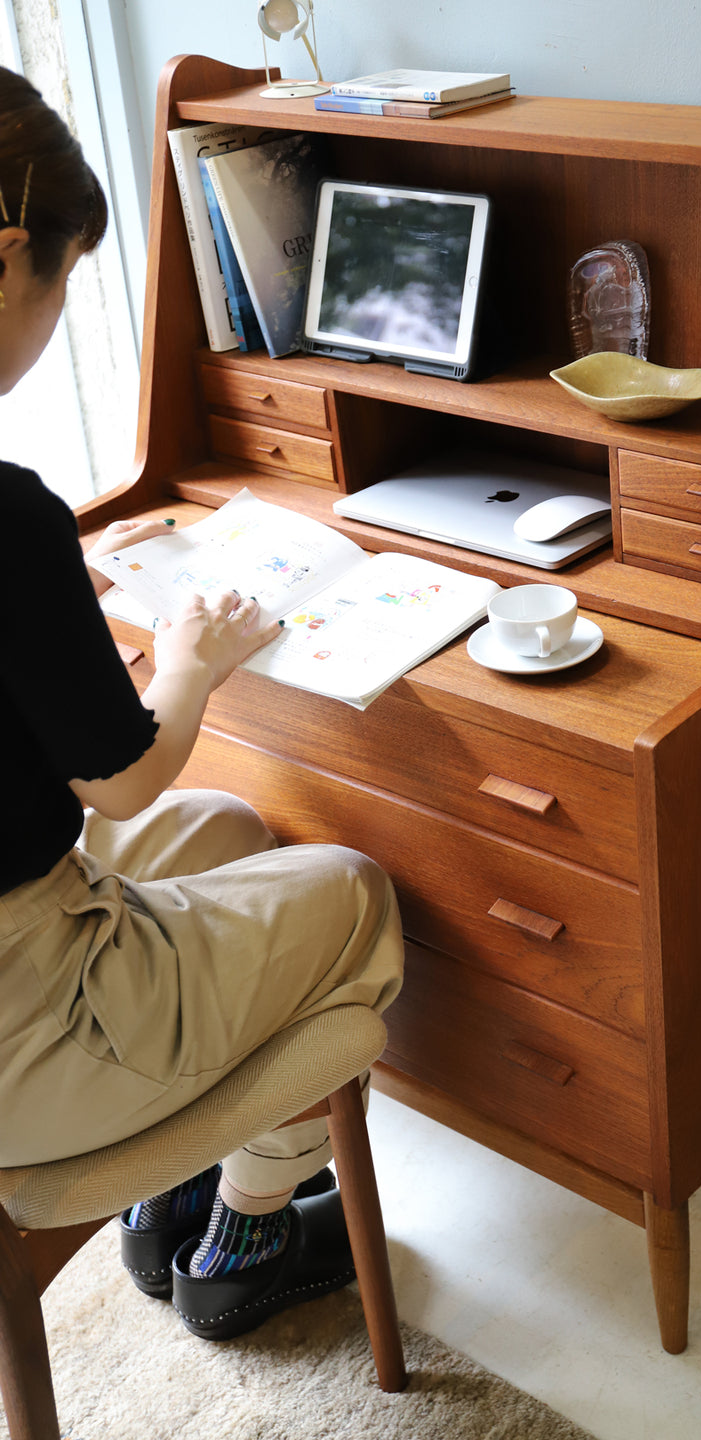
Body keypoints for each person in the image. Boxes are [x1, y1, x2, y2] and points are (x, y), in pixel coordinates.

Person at [0, 65, 403, 1341]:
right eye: (64, 282)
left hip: (23, 934)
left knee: (230, 831)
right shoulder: (5, 517)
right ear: (11, 259)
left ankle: (163, 1195)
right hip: (23, 1034)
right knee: (353, 898)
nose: (56, 316)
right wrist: (189, 658)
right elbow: (120, 782)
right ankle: (247, 1235)